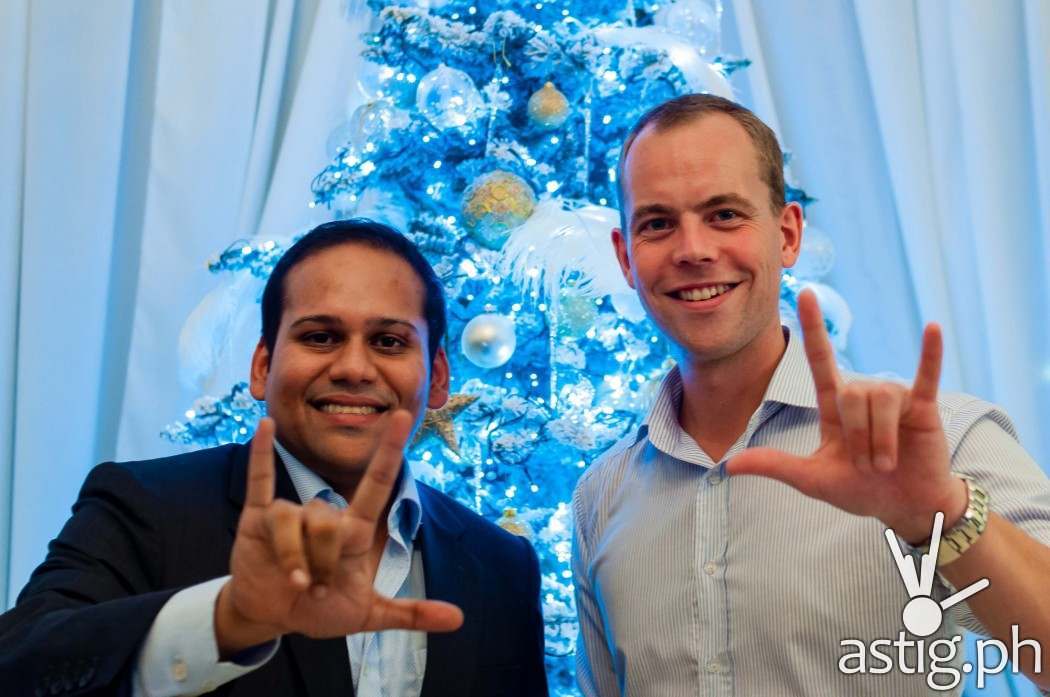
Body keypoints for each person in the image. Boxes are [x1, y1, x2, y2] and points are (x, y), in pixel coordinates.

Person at [572, 94, 1050, 696]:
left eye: (724, 214)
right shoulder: (601, 496)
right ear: (625, 257)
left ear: (788, 234)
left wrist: (943, 515)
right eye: (658, 223)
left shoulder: (934, 441)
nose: (692, 249)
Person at [0, 219, 548, 696]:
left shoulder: (502, 564)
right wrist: (226, 621)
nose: (354, 368)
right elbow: (19, 665)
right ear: (262, 365)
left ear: (439, 378)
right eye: (320, 336)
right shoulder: (146, 507)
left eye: (388, 342)